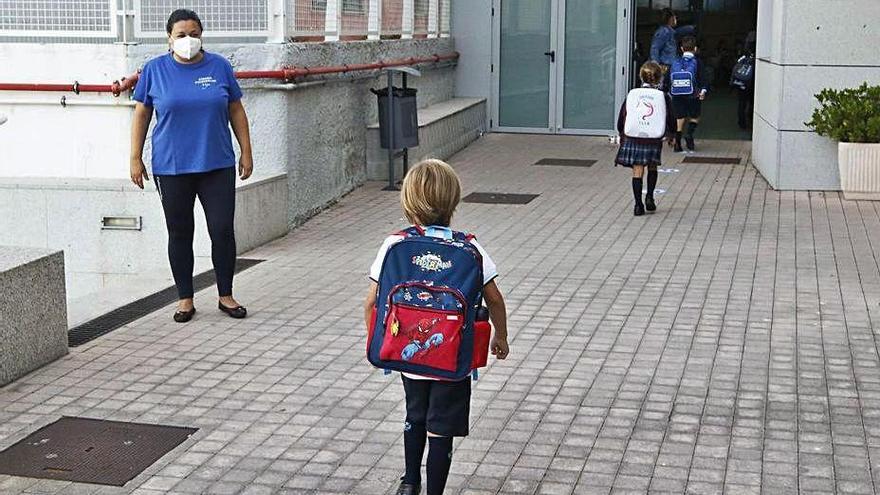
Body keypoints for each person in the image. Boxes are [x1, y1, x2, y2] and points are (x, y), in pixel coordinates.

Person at [363, 160, 510, 495]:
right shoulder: (470, 249)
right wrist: (500, 337)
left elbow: (371, 302)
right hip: (451, 362)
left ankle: (409, 481)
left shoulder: (394, 245)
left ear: (408, 202)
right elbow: (496, 300)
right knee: (440, 430)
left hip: (408, 359)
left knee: (414, 415)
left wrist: (377, 337)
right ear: (453, 202)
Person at [130, 9, 254, 323]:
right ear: (169, 39)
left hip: (216, 164)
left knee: (222, 230)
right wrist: (135, 157)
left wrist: (246, 152)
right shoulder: (155, 70)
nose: (189, 40)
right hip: (172, 168)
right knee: (180, 232)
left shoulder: (219, 67)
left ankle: (225, 295)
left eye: (194, 33)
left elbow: (236, 110)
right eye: (181, 35)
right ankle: (185, 298)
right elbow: (142, 114)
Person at [616, 62, 676, 216]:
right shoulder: (663, 96)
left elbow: (623, 116)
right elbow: (670, 117)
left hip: (634, 136)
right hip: (653, 137)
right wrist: (672, 135)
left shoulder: (633, 94)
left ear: (641, 76)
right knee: (652, 166)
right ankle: (650, 197)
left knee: (637, 169)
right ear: (659, 78)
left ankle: (638, 205)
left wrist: (622, 133)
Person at [670, 36, 708, 152]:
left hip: (677, 95)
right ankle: (689, 134)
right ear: (695, 49)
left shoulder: (675, 62)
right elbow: (703, 78)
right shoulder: (698, 62)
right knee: (695, 116)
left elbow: (668, 79)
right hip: (693, 94)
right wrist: (703, 91)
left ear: (682, 48)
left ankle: (677, 142)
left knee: (679, 117)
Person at [650, 8, 696, 90]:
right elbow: (655, 48)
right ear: (671, 19)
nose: (676, 20)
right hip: (664, 66)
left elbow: (678, 32)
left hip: (669, 66)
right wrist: (656, 66)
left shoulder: (669, 31)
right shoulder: (664, 31)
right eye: (675, 18)